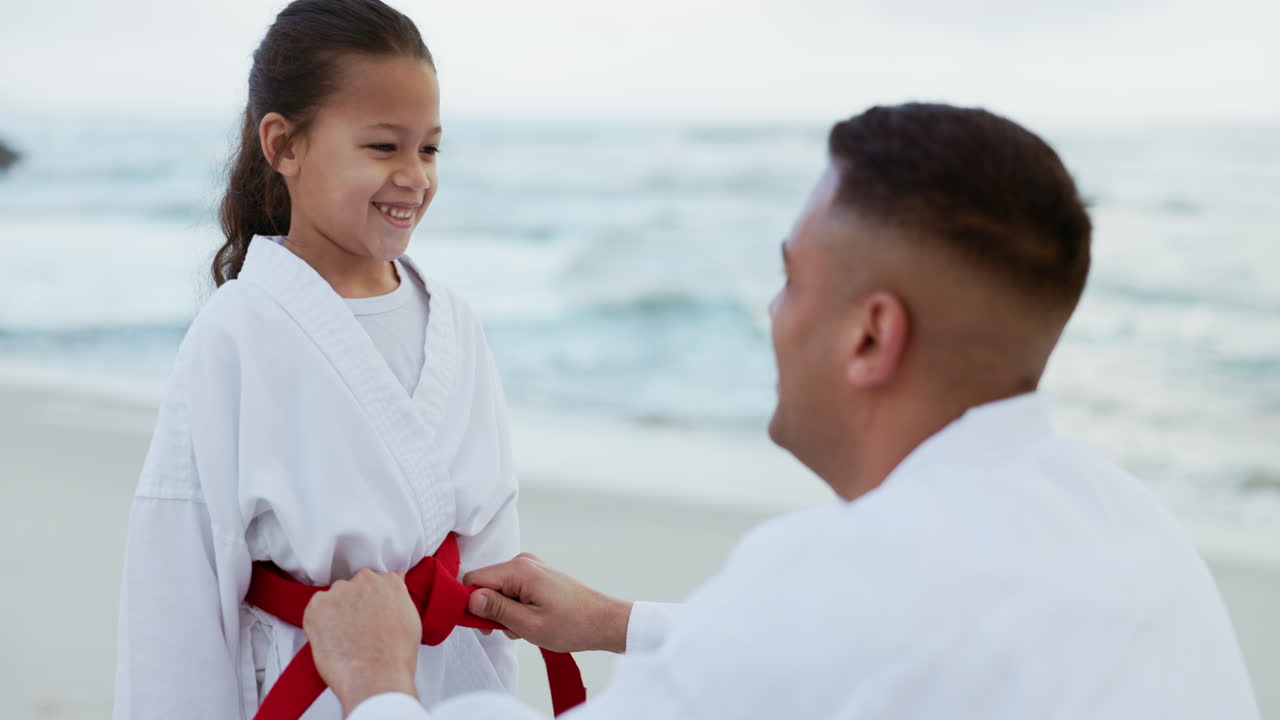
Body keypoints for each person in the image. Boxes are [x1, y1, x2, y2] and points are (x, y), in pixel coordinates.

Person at [300, 103, 1260, 719]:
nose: (772, 312)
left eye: (793, 279)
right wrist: (618, 624)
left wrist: (379, 683)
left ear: (871, 337)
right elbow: (842, 659)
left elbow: (830, 635)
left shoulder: (841, 578)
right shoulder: (1127, 520)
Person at [112, 1, 522, 717]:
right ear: (285, 146)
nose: (415, 177)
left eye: (428, 149)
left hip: (450, 682)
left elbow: (493, 545)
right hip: (308, 683)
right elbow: (178, 580)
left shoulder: (455, 321)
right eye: (382, 147)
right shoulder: (237, 331)